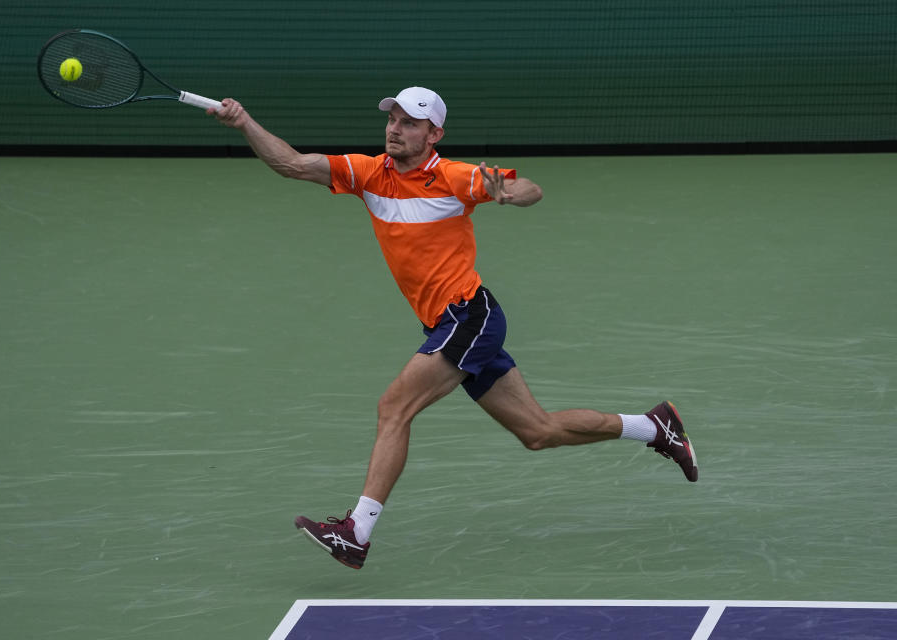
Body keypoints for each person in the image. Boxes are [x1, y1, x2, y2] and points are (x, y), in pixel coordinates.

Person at [210, 87, 697, 570]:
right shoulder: (366, 172)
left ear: (434, 133)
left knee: (393, 407)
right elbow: (293, 164)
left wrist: (508, 192)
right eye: (393, 119)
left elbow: (530, 187)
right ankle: (654, 426)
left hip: (468, 316)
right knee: (538, 431)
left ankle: (356, 532)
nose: (396, 129)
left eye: (410, 123)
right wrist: (245, 122)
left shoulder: (452, 176)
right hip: (449, 323)